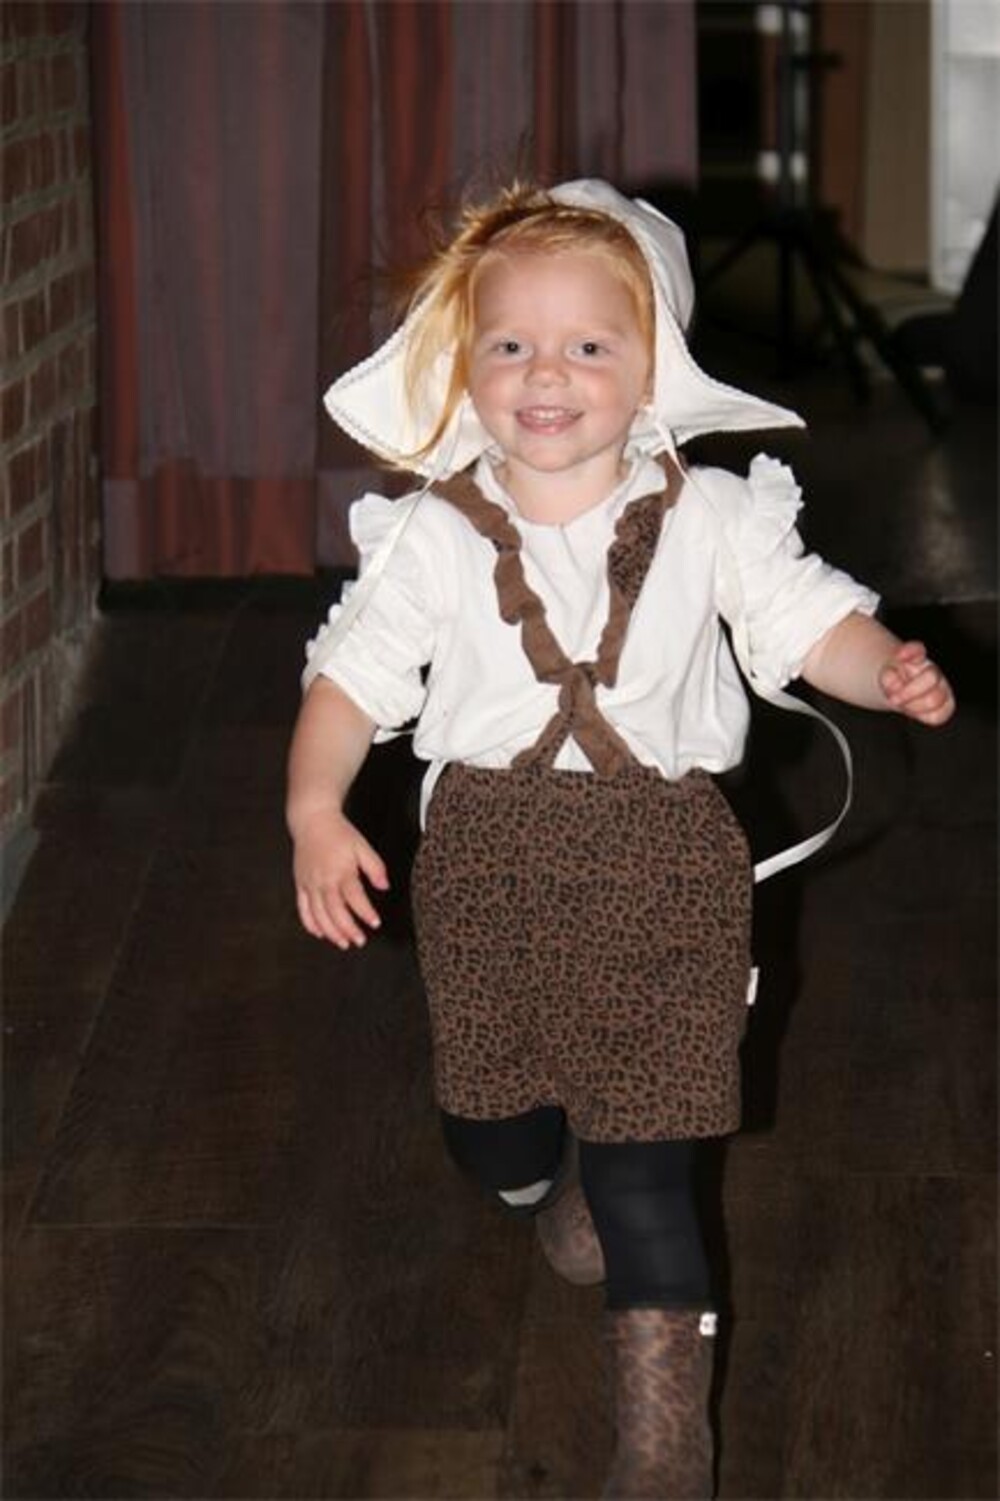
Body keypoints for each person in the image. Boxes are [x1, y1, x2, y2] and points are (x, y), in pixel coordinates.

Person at [286, 180, 955, 1499]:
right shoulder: (432, 534)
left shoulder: (713, 518)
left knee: (653, 1177)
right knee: (496, 1134)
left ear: (652, 371)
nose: (548, 374)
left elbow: (811, 622)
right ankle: (550, 1178)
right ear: (467, 368)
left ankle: (663, 1443)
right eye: (511, 343)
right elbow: (347, 685)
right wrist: (315, 808)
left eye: (589, 344)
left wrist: (884, 668)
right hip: (487, 875)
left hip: (666, 873)